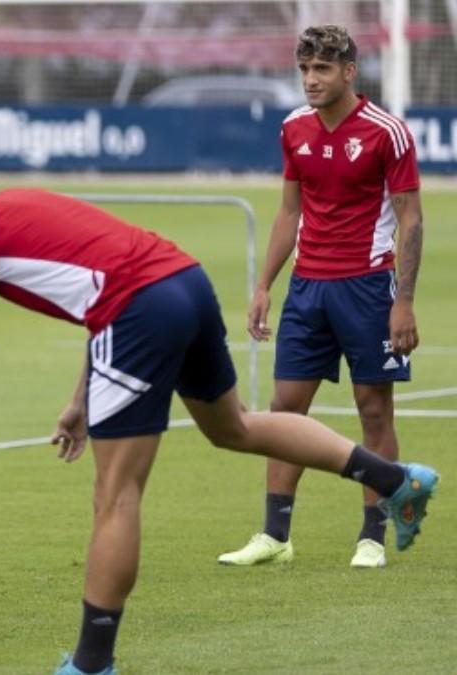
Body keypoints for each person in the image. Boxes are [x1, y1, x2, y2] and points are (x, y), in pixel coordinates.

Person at [0, 148, 438, 674]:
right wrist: (79, 401)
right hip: (183, 282)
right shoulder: (10, 203)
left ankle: (92, 662)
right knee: (233, 427)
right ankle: (393, 478)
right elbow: (97, 282)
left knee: (114, 495)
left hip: (138, 310)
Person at [218, 25, 424, 569]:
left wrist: (403, 301)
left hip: (368, 288)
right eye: (305, 69)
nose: (311, 80)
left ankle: (372, 538)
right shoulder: (293, 128)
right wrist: (264, 284)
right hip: (307, 289)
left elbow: (411, 219)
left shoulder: (388, 132)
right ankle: (275, 535)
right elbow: (290, 212)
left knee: (373, 409)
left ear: (349, 72)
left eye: (322, 70)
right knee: (285, 410)